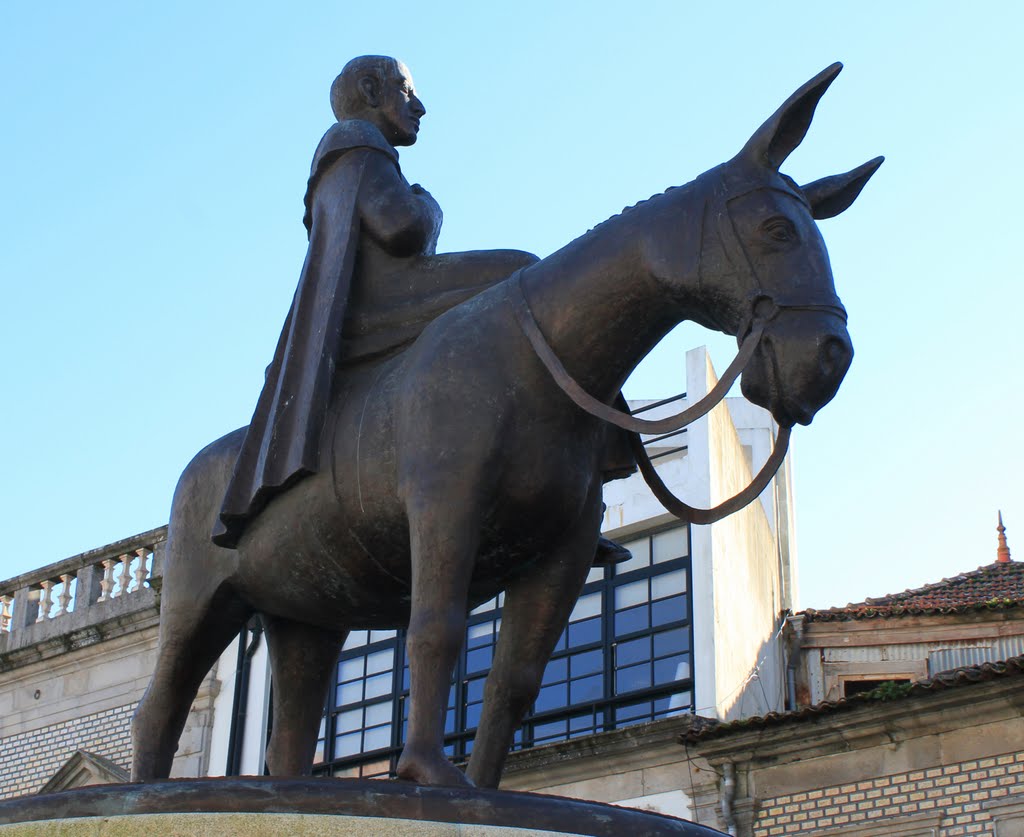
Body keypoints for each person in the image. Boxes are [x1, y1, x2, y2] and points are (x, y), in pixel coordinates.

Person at [214, 56, 630, 564]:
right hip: (383, 301)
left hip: (379, 297)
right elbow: (402, 228)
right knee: (527, 274)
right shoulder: (360, 149)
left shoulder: (348, 155)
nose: (420, 107)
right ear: (370, 90)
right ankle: (601, 461)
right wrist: (430, 205)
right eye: (406, 91)